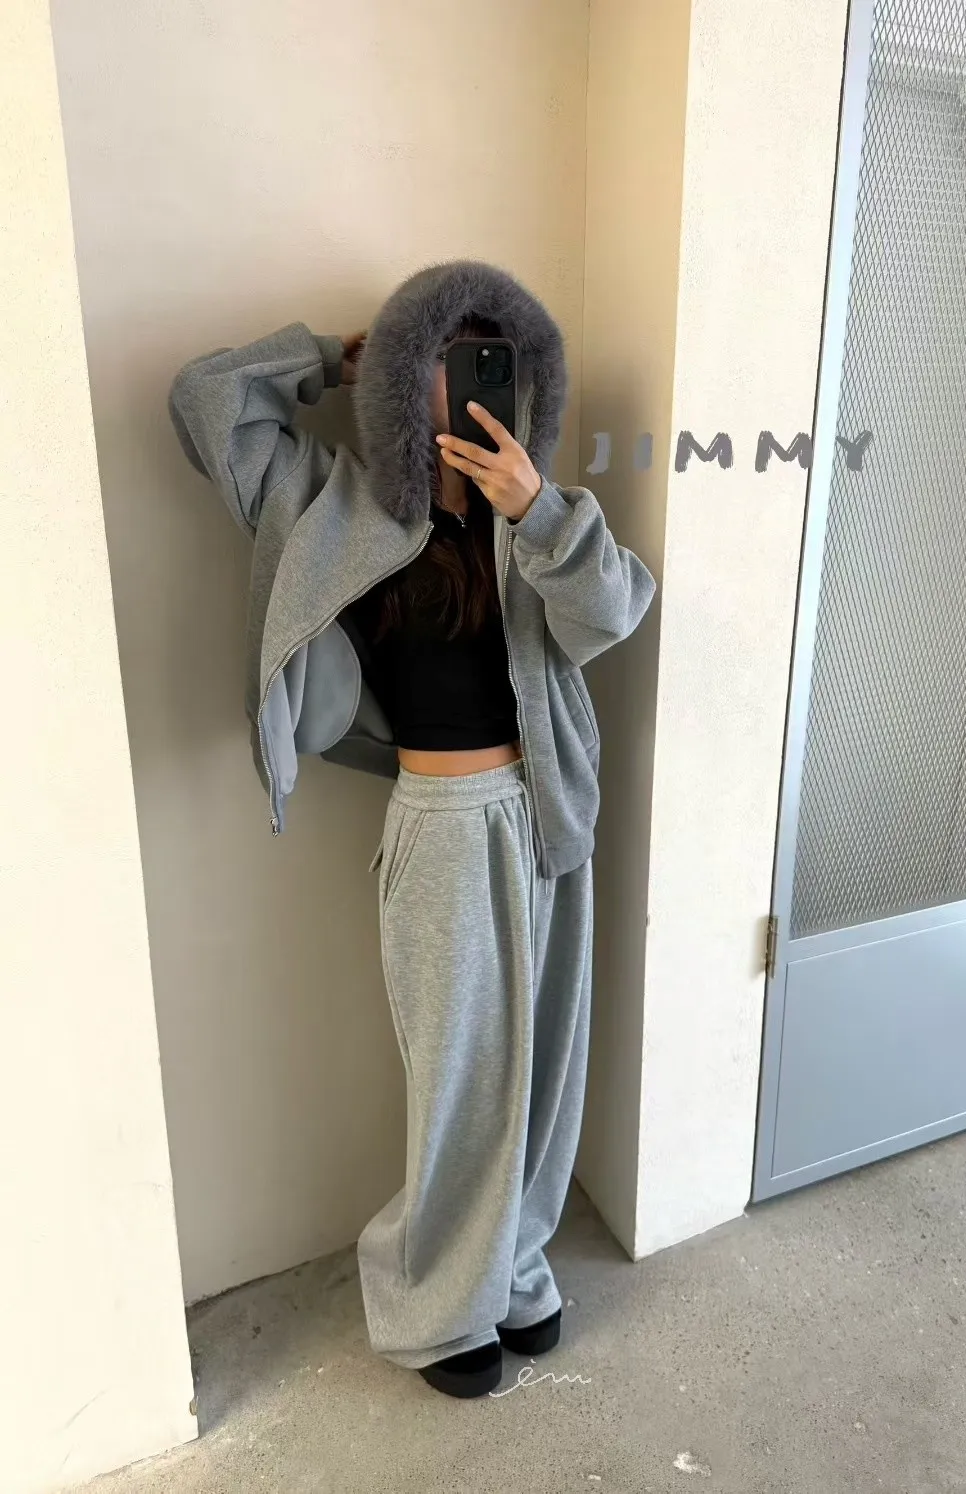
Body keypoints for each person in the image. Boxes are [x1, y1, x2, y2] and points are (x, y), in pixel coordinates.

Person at [168, 259, 656, 1398]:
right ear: (404, 373)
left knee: (545, 1073)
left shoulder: (540, 513)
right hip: (439, 823)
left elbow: (617, 610)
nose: (473, 377)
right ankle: (434, 1304)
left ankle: (515, 1267)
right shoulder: (335, 504)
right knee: (462, 1082)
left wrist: (535, 509)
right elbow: (203, 404)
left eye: (494, 358)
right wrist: (326, 359)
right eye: (444, 355)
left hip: (551, 815)